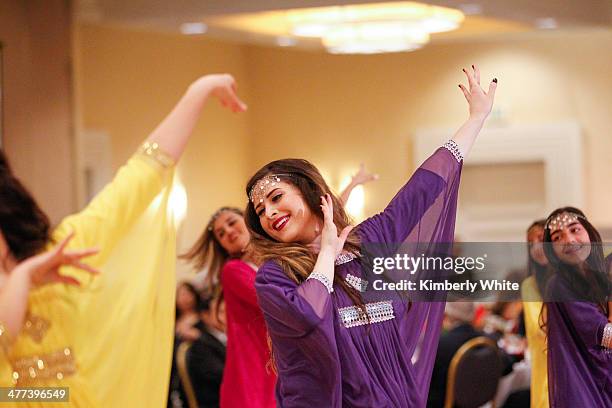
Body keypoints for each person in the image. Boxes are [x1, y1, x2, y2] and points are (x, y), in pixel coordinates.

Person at [245, 66, 496, 407]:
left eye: (276, 198)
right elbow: (306, 313)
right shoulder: (274, 276)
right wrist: (326, 257)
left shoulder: (368, 241)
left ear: (308, 192)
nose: (269, 213)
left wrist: (476, 119)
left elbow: (422, 190)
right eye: (260, 211)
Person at [0, 74, 246, 407]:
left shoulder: (62, 247)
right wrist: (23, 280)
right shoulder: (34, 269)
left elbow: (140, 177)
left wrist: (197, 92)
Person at [181, 165, 377, 408]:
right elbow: (288, 302)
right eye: (221, 233)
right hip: (253, 371)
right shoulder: (235, 271)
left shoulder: (276, 259)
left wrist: (352, 185)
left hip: (279, 360)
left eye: (232, 223)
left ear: (247, 220)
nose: (229, 232)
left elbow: (319, 220)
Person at [542, 207, 611, 407]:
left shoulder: (598, 278)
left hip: (601, 379)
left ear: (589, 231)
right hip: (581, 388)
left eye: (574, 230)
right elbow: (604, 335)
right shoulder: (559, 284)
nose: (569, 240)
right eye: (557, 237)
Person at [520, 220, 550, 408]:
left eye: (541, 238)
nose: (537, 246)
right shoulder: (529, 286)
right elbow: (540, 328)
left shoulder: (570, 280)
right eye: (531, 242)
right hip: (542, 366)